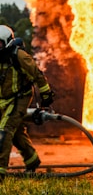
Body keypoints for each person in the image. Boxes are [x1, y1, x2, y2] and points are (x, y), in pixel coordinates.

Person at [0, 25, 55, 178]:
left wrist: (46, 95)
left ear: (7, 43)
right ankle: (32, 160)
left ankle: (0, 172)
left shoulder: (20, 57)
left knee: (4, 132)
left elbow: (37, 75)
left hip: (19, 98)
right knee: (16, 133)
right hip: (3, 100)